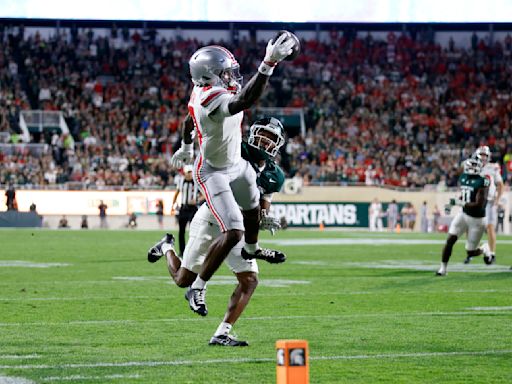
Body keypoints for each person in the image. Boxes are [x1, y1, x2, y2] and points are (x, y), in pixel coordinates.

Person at [168, 36, 294, 316]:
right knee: (234, 229)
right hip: (213, 170)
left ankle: (253, 248)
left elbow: (188, 118)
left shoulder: (203, 87)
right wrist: (269, 63)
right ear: (210, 75)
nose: (230, 77)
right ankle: (197, 287)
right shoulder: (210, 97)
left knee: (251, 208)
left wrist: (186, 145)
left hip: (234, 164)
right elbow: (244, 99)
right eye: (225, 72)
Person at [148, 117, 286, 346]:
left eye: (271, 138)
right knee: (183, 280)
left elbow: (262, 204)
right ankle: (167, 247)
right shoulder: (234, 150)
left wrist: (263, 218)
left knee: (249, 280)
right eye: (263, 134)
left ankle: (222, 332)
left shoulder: (274, 175)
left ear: (277, 145)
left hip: (237, 228)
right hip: (211, 219)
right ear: (252, 133)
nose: (264, 141)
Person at [436, 157, 490, 276]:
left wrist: (460, 203)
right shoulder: (463, 177)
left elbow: (479, 205)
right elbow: (466, 196)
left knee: (471, 252)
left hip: (477, 219)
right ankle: (443, 269)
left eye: (474, 167)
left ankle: (484, 249)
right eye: (471, 166)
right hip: (463, 215)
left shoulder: (483, 181)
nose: (472, 169)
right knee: (450, 240)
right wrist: (452, 202)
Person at [473, 146, 503, 264]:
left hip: (489, 201)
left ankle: (492, 253)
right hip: (476, 203)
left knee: (490, 227)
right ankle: (479, 250)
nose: (483, 158)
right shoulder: (473, 168)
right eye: (482, 155)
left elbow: (500, 185)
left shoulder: (493, 167)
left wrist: (497, 199)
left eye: (485, 155)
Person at [171, 165, 201, 255]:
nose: (190, 174)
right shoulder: (181, 181)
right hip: (183, 208)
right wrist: (173, 204)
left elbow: (204, 194)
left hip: (193, 209)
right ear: (185, 173)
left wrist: (196, 200)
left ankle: (194, 251)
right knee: (181, 231)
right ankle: (182, 251)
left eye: (191, 172)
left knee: (194, 231)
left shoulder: (196, 182)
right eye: (188, 172)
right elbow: (176, 193)